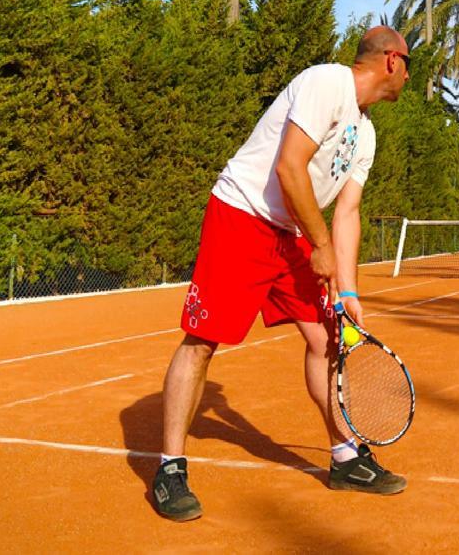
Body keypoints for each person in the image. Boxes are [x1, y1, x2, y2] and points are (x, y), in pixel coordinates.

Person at [152, 26, 411, 521]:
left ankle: (345, 458)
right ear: (392, 61)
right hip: (243, 215)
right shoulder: (325, 83)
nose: (408, 79)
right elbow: (289, 169)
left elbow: (347, 213)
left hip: (294, 230)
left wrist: (349, 287)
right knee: (202, 340)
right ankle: (169, 470)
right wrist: (319, 248)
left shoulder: (368, 134)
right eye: (410, 68)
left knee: (327, 338)